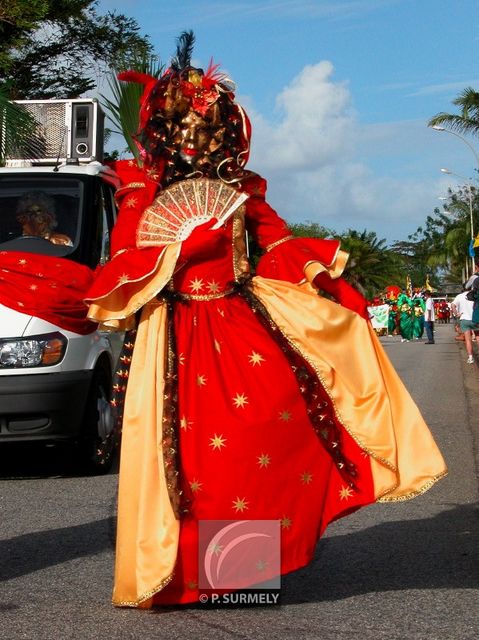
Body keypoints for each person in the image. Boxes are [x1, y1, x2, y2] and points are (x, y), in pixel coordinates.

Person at [85, 33, 447, 609]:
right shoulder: (143, 193)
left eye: (205, 130)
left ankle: (238, 577)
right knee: (187, 457)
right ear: (166, 136)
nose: (195, 142)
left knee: (246, 447)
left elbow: (280, 245)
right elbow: (124, 268)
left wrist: (331, 288)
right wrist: (142, 209)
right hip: (174, 337)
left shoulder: (241, 194)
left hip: (240, 325)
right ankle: (182, 574)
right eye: (184, 131)